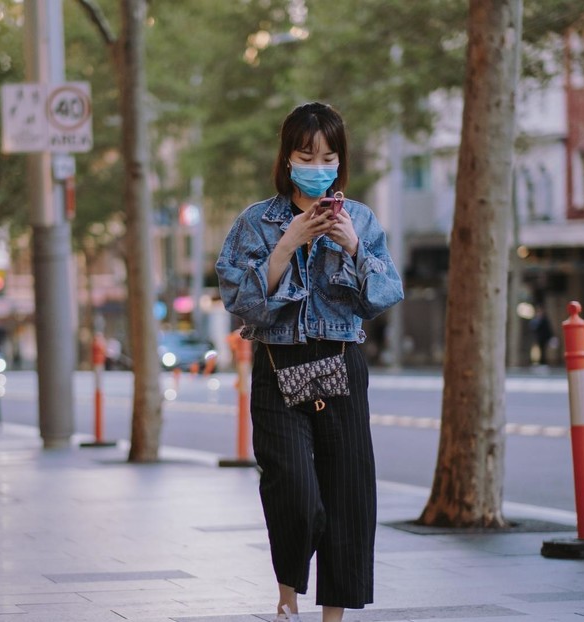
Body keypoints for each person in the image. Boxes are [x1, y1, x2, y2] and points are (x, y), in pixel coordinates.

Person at [215, 102, 403, 622]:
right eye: (305, 154)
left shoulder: (360, 218)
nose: (317, 164)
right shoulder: (257, 221)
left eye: (327, 156)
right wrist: (285, 247)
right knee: (293, 487)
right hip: (278, 366)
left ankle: (332, 616)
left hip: (342, 361)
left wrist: (356, 249)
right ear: (287, 158)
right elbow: (240, 299)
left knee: (348, 495)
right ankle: (287, 595)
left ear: (340, 161)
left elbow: (386, 293)